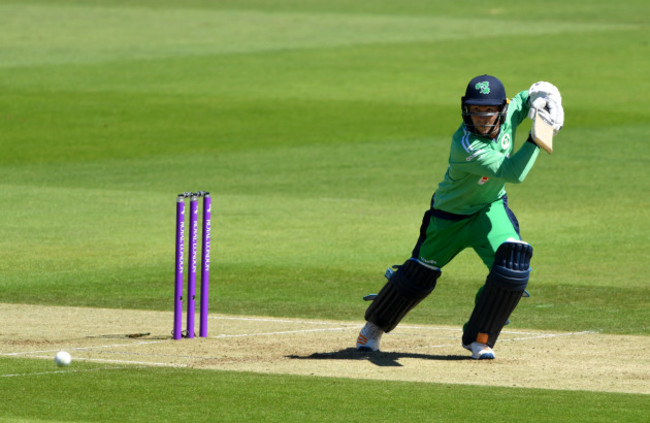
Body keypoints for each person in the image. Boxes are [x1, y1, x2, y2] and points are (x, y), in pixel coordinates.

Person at [355, 75, 564, 359]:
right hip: (448, 218)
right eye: (475, 110)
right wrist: (539, 135)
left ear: (501, 108)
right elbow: (514, 173)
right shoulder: (466, 146)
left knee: (513, 267)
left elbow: (532, 94)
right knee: (418, 277)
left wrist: (546, 98)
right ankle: (373, 327)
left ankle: (480, 338)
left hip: (489, 209)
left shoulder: (510, 111)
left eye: (487, 110)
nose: (480, 116)